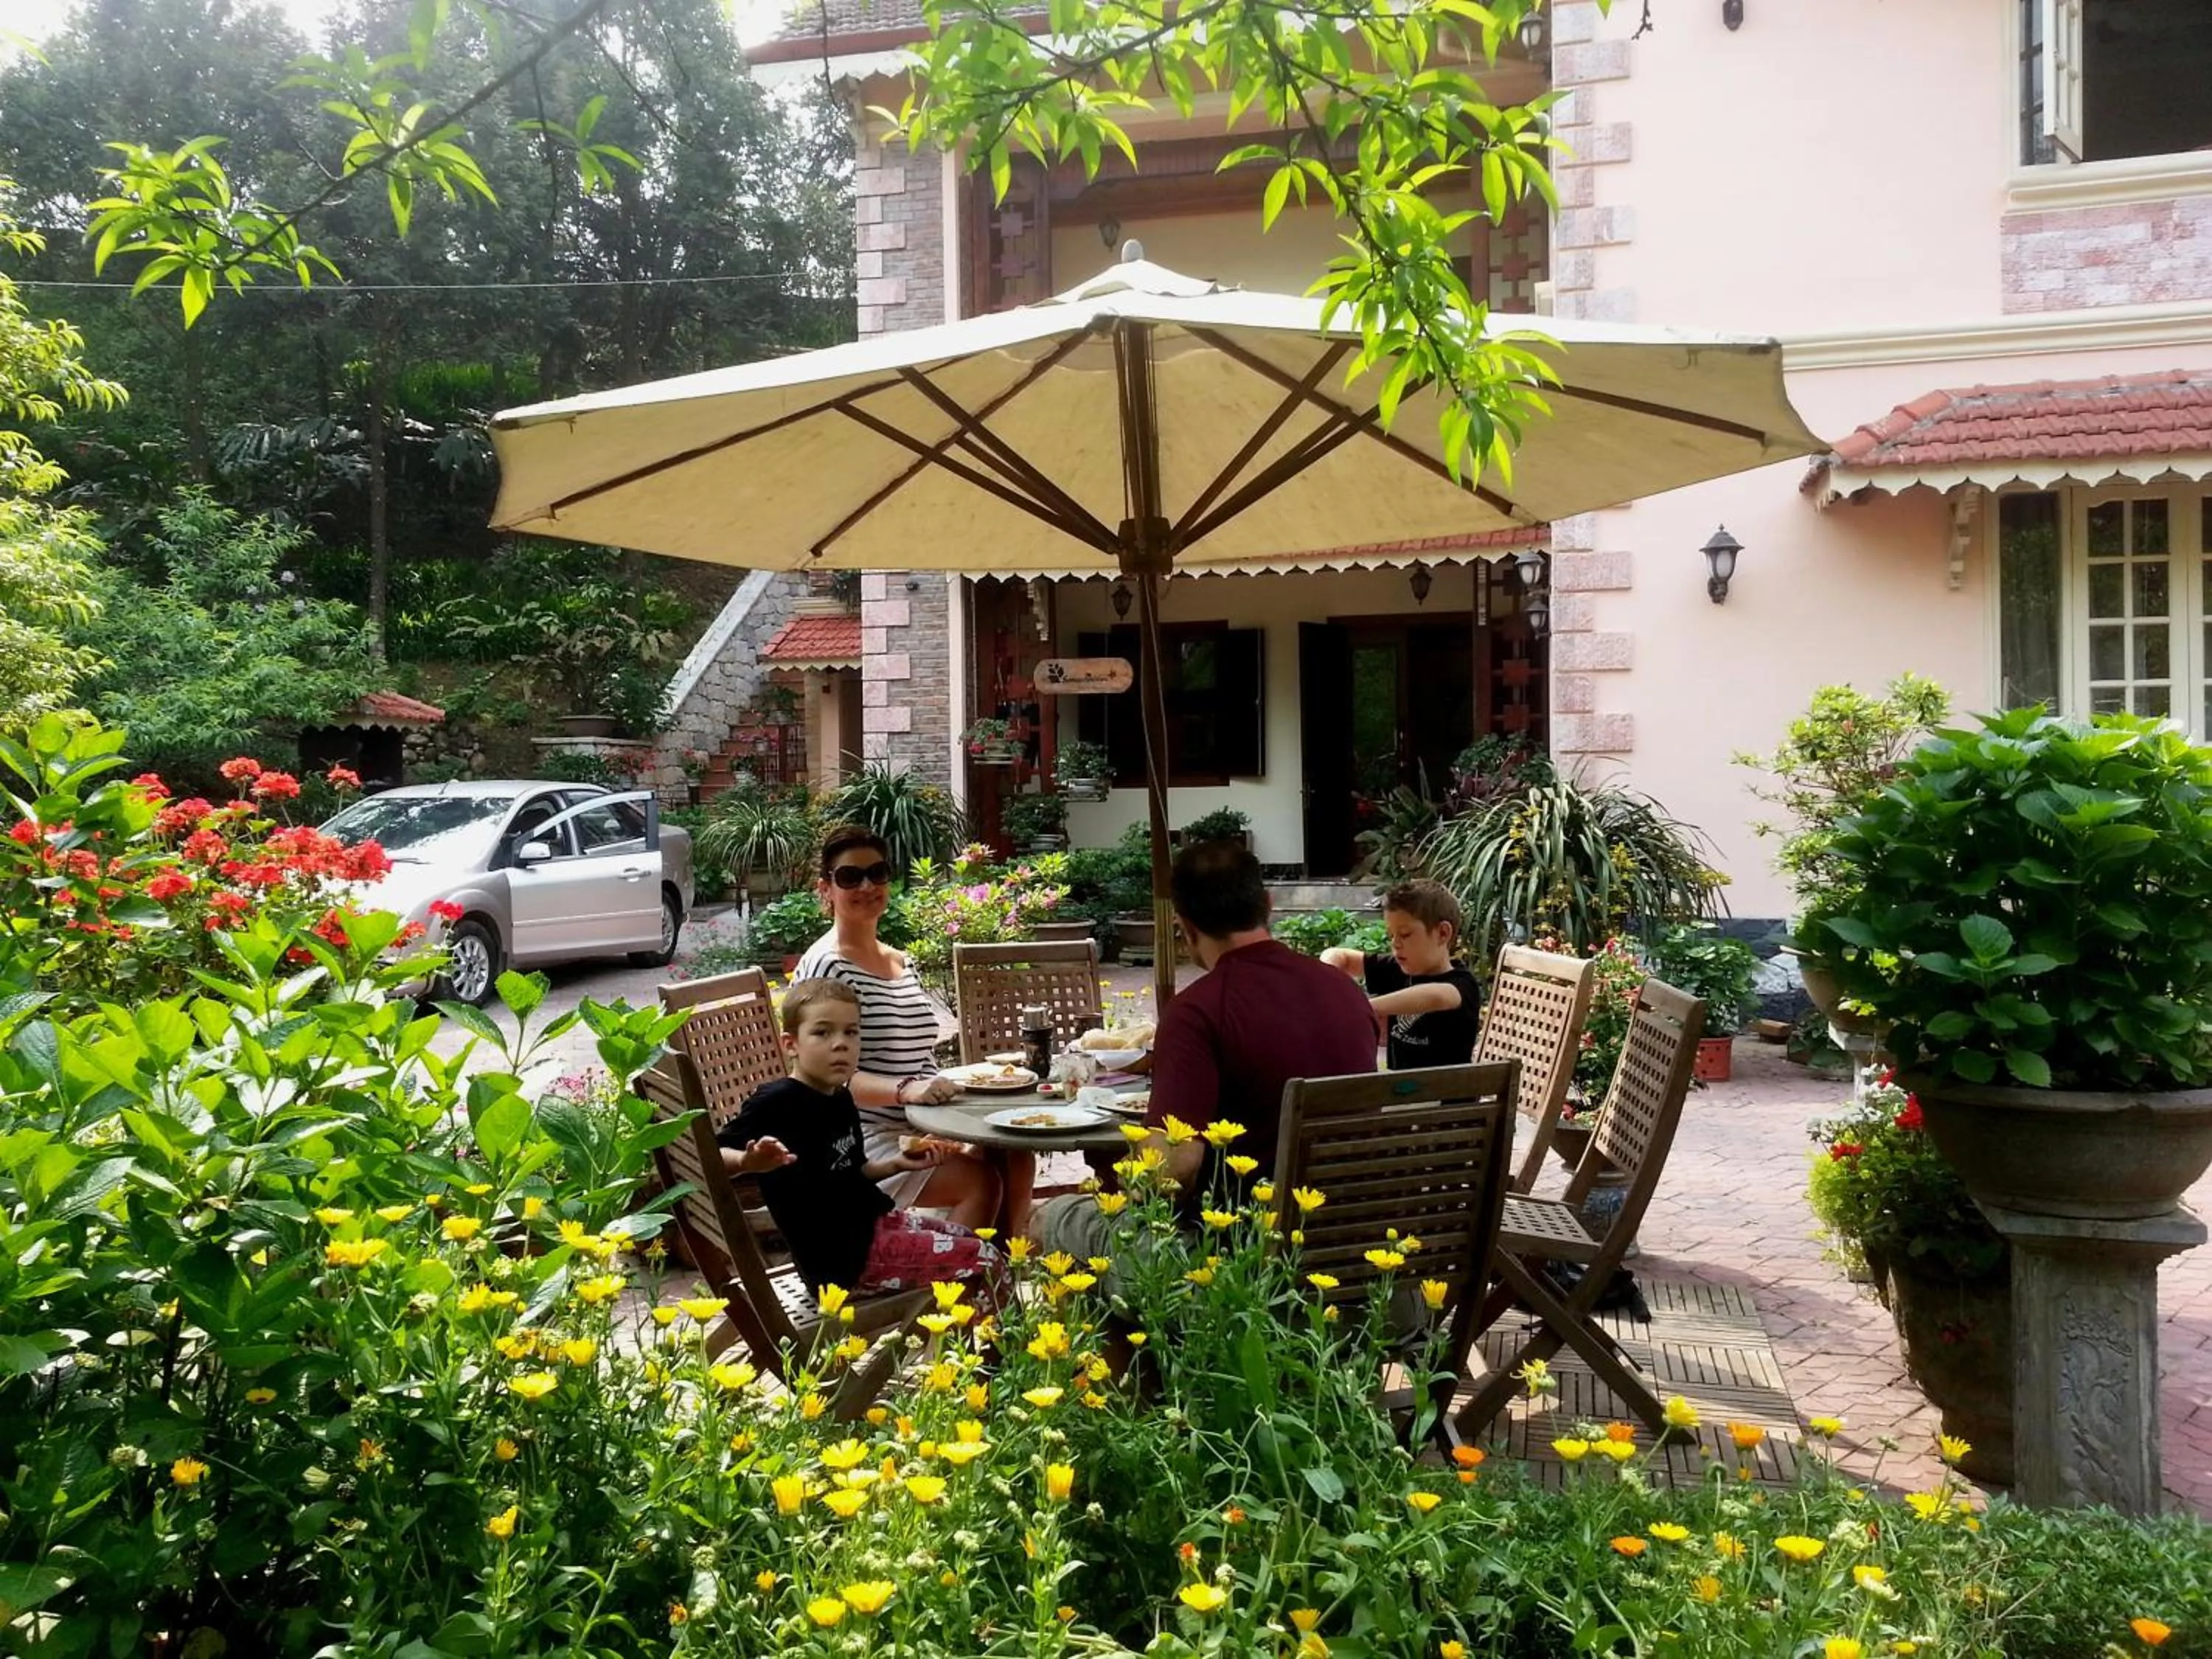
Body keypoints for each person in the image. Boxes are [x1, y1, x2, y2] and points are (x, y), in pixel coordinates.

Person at [1034, 839, 1376, 1255]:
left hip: (1236, 1254)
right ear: (1267, 906)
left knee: (1050, 1218)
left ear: (1184, 926)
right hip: (1350, 1238)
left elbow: (1172, 1172)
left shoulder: (1199, 1011)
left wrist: (1129, 1165)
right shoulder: (1345, 990)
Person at [791, 824, 1032, 1233]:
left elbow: (920, 1056)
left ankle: (1005, 1265)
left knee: (1014, 1152)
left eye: (877, 873)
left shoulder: (901, 962)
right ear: (825, 889)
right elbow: (821, 1077)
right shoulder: (828, 967)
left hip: (917, 1123)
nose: (867, 885)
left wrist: (937, 1095)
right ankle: (957, 1274)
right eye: (850, 877)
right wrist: (904, 1090)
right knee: (980, 1183)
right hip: (856, 1136)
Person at [717, 978, 1007, 1308]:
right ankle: (978, 1340)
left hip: (874, 1228)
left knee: (971, 1239)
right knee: (987, 1261)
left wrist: (898, 1164)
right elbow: (712, 1155)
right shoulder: (776, 1102)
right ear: (791, 1044)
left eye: (851, 1032)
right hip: (844, 1262)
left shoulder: (840, 1098)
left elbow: (855, 1172)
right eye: (822, 1033)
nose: (840, 1044)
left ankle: (957, 1334)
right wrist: (747, 1162)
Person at [1321, 880, 1484, 1070]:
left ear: (1442, 933)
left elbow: (1435, 997)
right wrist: (1324, 982)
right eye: (1391, 935)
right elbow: (1338, 956)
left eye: (1405, 934)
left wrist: (1358, 1008)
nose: (1395, 944)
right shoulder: (1398, 967)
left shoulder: (1462, 985)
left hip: (1447, 1088)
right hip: (1400, 1086)